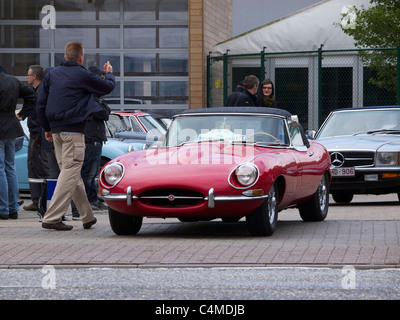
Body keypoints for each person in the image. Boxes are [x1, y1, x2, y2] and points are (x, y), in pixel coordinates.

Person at [37, 41, 115, 231]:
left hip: (55, 131)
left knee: (71, 173)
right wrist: (110, 73)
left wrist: (47, 128)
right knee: (70, 172)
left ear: (65, 56)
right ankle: (52, 217)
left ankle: (87, 216)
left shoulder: (51, 74)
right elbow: (107, 87)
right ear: (81, 58)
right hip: (73, 131)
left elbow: (41, 104)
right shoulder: (82, 74)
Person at [71, 65, 111, 219]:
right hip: (90, 140)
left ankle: (93, 200)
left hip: (95, 140)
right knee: (86, 174)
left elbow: (105, 112)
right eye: (100, 78)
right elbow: (104, 113)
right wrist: (104, 108)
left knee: (92, 174)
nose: (101, 82)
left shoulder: (94, 97)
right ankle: (85, 204)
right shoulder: (89, 97)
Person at [0, 69, 36, 220]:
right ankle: (13, 207)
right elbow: (32, 96)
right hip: (11, 127)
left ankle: (3, 209)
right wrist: (22, 114)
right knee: (9, 167)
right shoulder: (13, 81)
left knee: (1, 168)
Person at [22, 65, 51, 213]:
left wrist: (40, 138)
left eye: (28, 75)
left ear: (35, 77)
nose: (26, 77)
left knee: (43, 170)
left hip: (39, 137)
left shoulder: (41, 93)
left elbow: (41, 117)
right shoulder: (34, 92)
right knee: (32, 168)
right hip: (34, 136)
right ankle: (35, 200)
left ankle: (45, 202)